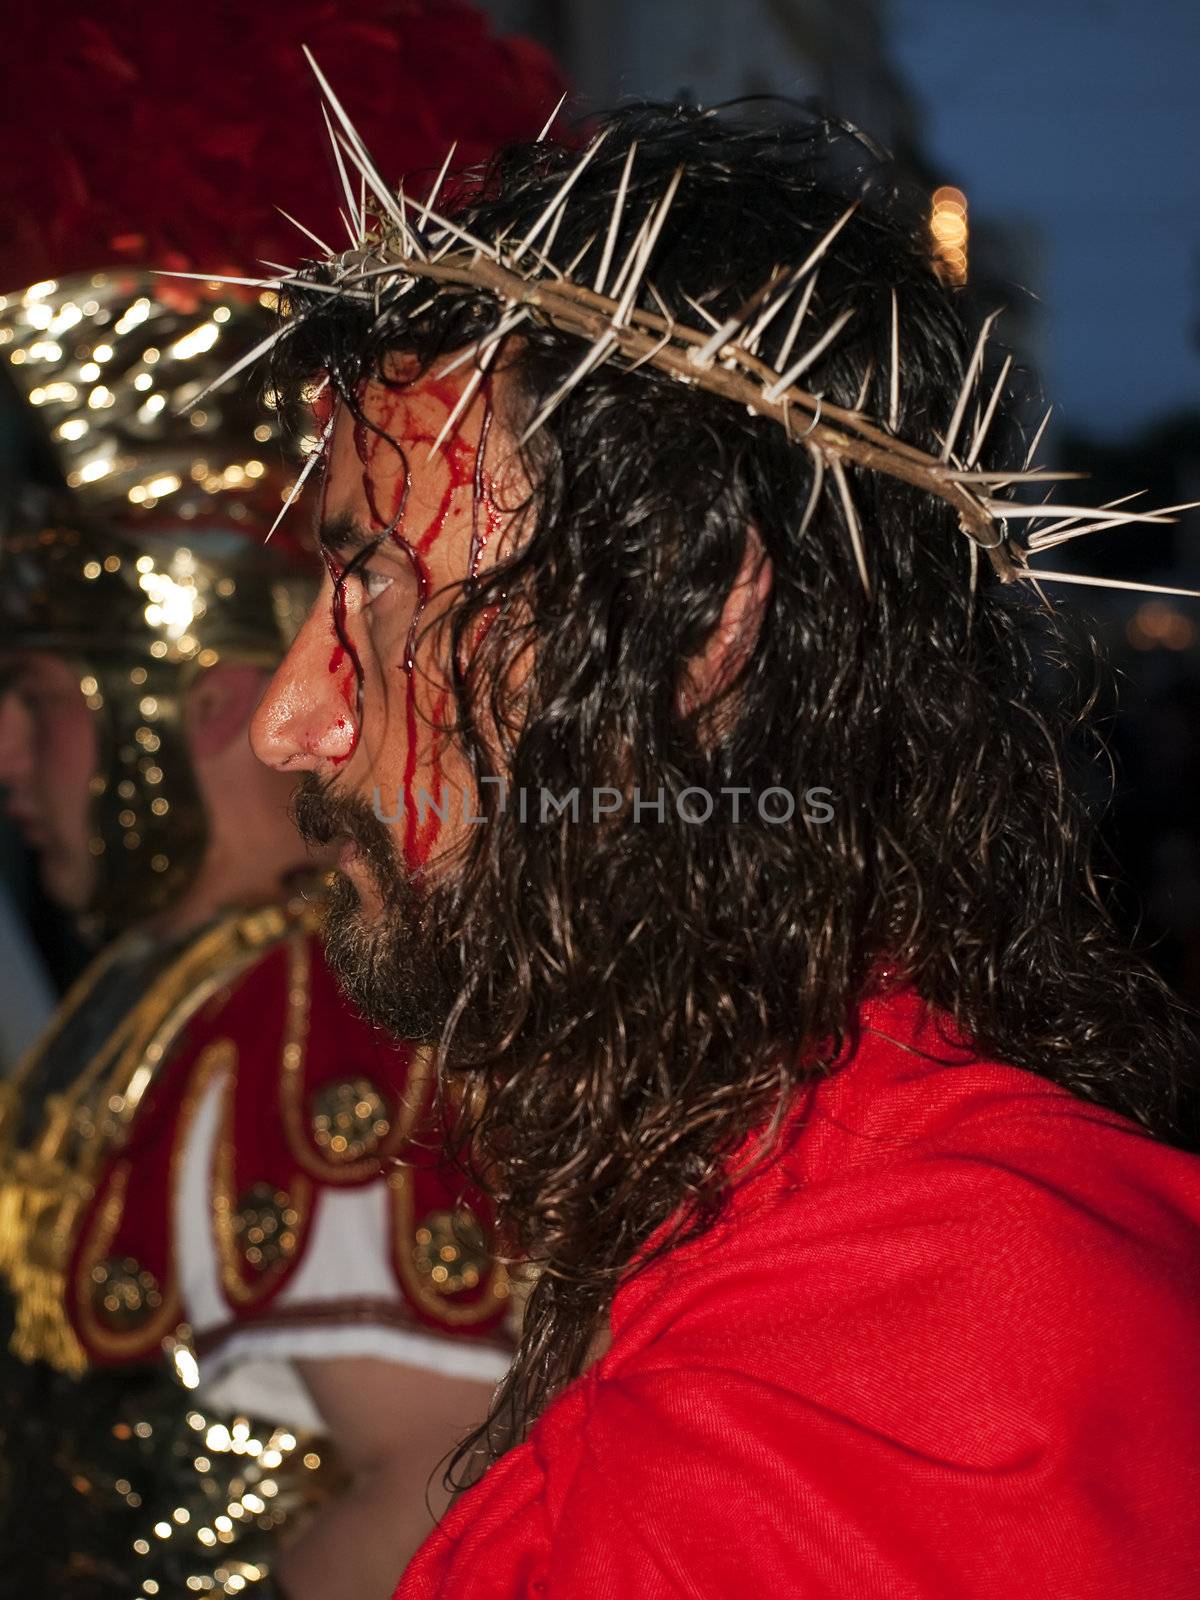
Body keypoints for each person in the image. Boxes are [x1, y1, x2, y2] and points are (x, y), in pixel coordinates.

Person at [244, 98, 1200, 1598]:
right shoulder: (791, 1200)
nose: (290, 722)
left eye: (370, 584)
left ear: (694, 611)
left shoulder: (870, 1395)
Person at [0, 7, 565, 1596]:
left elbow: (437, 1497)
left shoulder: (322, 1010)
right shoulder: (177, 987)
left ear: (219, 706)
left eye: (44, 702)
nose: (6, 759)